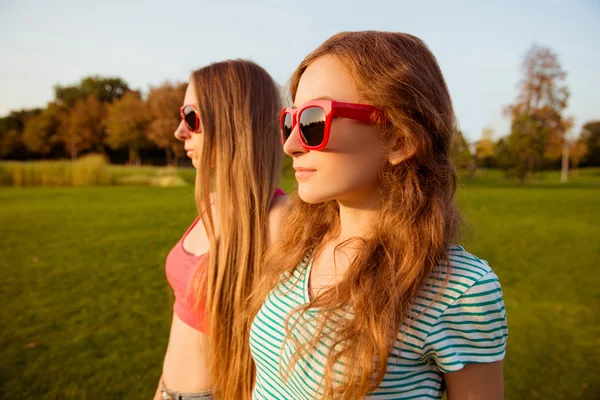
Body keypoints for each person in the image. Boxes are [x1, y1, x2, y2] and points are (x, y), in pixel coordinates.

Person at [249, 31, 508, 399]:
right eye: (289, 121)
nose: (290, 145)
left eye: (312, 122)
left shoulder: (460, 290)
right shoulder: (298, 246)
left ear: (401, 139)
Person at [155, 59, 287, 400]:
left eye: (191, 118)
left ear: (232, 120)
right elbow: (180, 321)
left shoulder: (278, 220)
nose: (179, 131)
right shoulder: (212, 204)